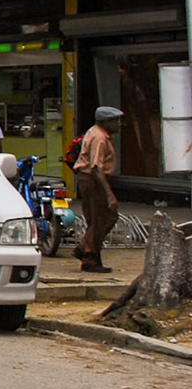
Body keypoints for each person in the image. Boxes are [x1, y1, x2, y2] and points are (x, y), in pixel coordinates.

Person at [72, 105, 122, 273]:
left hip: (89, 179)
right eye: (115, 121)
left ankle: (89, 251)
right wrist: (109, 195)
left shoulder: (96, 132)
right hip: (93, 180)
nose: (119, 124)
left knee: (96, 219)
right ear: (106, 122)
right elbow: (96, 167)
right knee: (104, 216)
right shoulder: (100, 138)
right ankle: (87, 253)